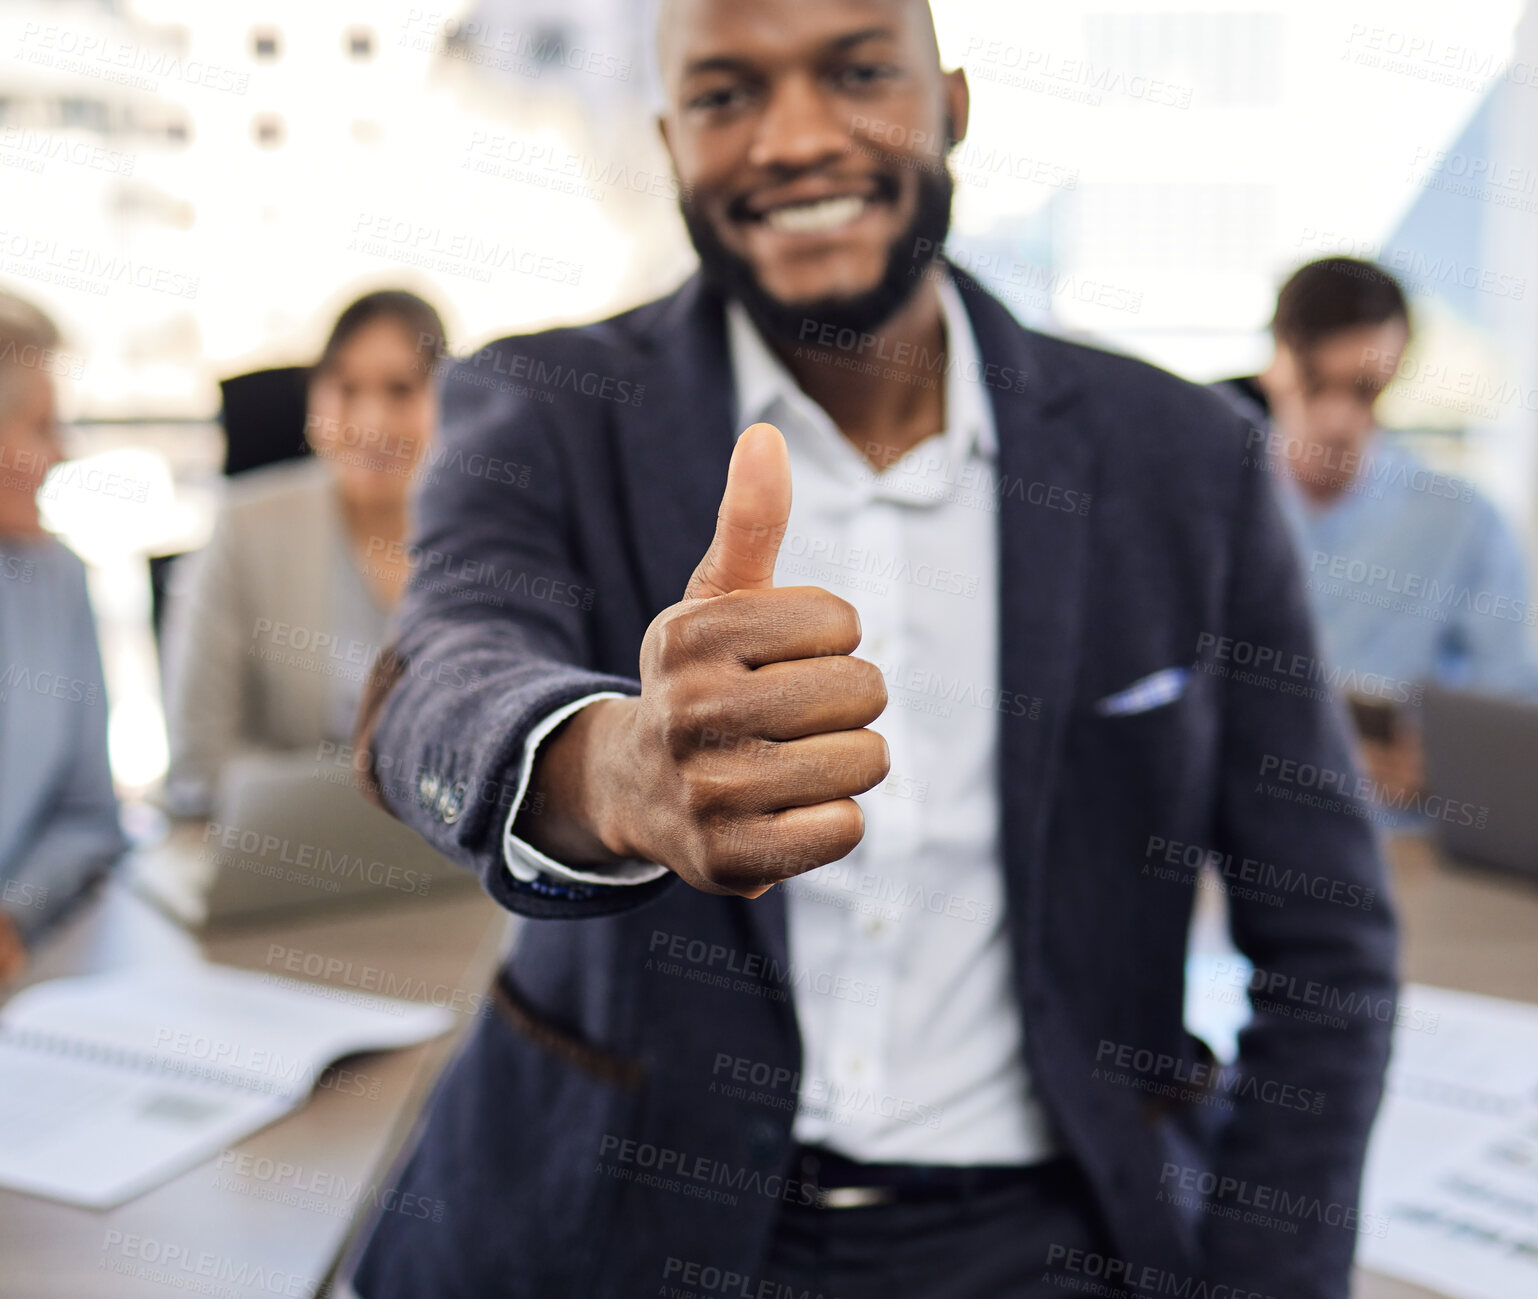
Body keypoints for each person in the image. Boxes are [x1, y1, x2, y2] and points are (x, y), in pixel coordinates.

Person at [348, 4, 1397, 1297]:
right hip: (614, 1212)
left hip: (1047, 1227)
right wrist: (606, 766)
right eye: (727, 96)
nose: (792, 137)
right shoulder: (543, 408)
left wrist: (1266, 1273)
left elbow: (1328, 944)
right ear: (675, 145)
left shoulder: (1182, 461)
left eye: (853, 72)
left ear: (950, 105)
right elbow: (435, 678)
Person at [1216, 257, 1538, 800]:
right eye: (1318, 384)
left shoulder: (1464, 521)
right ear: (1275, 364)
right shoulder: (1209, 500)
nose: (1340, 420)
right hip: (1228, 833)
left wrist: (1447, 771)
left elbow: (1511, 715)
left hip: (1401, 844)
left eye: (1366, 390)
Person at [161, 290, 445, 817]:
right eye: (346, 388)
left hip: (454, 873)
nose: (371, 421)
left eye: (401, 389)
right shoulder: (244, 529)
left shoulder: (484, 535)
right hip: (285, 866)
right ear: (314, 400)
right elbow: (198, 763)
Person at [0, 290, 126, 979]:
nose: (61, 453)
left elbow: (89, 815)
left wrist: (14, 910)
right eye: (42, 426)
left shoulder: (59, 581)